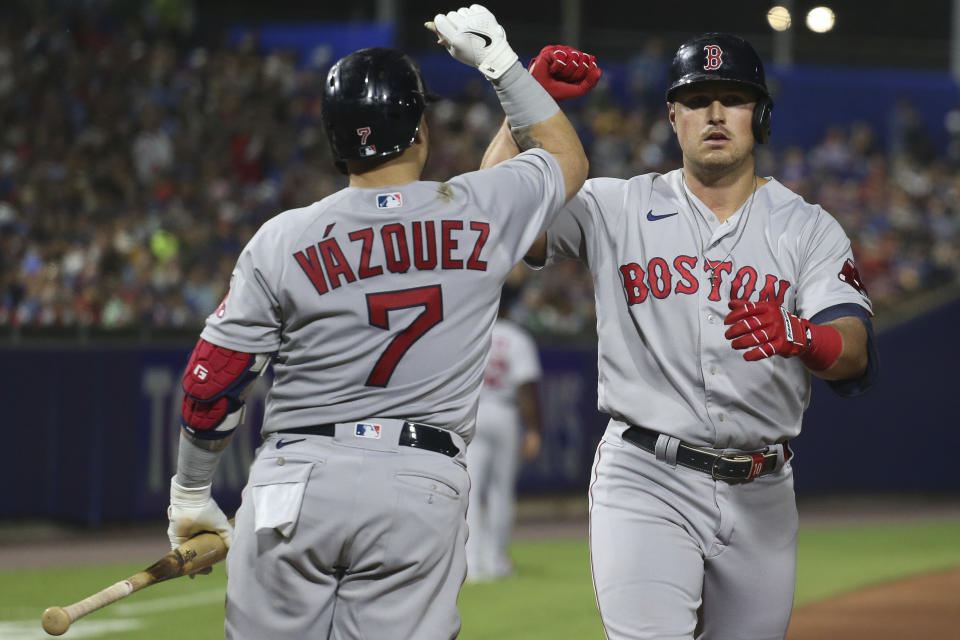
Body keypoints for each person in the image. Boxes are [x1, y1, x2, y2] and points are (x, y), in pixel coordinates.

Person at [163, 5, 591, 639]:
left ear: (334, 138)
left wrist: (192, 497)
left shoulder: (283, 236)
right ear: (421, 129)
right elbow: (560, 156)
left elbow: (214, 379)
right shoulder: (474, 210)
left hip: (296, 479)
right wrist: (505, 68)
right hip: (417, 484)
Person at [487, 34, 879, 639]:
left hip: (763, 489)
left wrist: (804, 335)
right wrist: (524, 101)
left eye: (733, 98)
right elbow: (494, 215)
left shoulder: (808, 228)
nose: (715, 114)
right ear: (673, 117)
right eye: (697, 100)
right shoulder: (615, 207)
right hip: (647, 474)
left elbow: (852, 351)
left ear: (761, 115)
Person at [465, 285, 544, 582]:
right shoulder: (517, 338)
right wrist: (534, 428)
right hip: (505, 413)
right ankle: (496, 561)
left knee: (471, 489)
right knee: (501, 491)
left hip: (474, 411)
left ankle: (472, 563)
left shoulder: (473, 332)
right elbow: (525, 388)